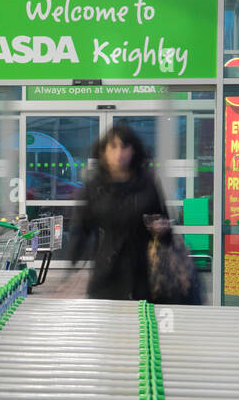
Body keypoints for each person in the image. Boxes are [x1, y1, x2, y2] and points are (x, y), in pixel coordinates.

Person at [67, 122, 172, 300]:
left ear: (134, 150)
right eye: (113, 147)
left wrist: (162, 231)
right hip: (105, 275)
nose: (119, 154)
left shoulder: (147, 185)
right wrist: (72, 269)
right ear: (103, 151)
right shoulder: (94, 187)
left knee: (140, 325)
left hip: (142, 275)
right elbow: (80, 229)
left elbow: (166, 230)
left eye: (125, 147)